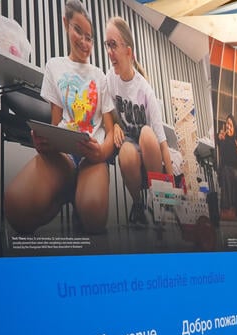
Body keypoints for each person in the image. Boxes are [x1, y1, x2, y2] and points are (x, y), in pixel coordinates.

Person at [3, 0, 116, 236]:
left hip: (92, 157)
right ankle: (67, 191)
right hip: (64, 156)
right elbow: (55, 123)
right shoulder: (54, 67)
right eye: (78, 31)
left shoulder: (101, 77)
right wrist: (44, 143)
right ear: (66, 24)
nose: (84, 42)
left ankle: (79, 192)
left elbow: (110, 129)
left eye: (89, 37)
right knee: (15, 208)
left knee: (94, 217)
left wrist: (102, 154)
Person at [103, 15, 172, 226]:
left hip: (149, 148)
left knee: (147, 133)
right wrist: (115, 124)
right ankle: (138, 205)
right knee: (125, 149)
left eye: (113, 45)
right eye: (107, 45)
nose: (109, 52)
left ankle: (158, 200)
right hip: (129, 147)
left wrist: (172, 187)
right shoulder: (110, 80)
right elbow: (108, 114)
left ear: (128, 51)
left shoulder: (145, 89)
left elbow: (161, 141)